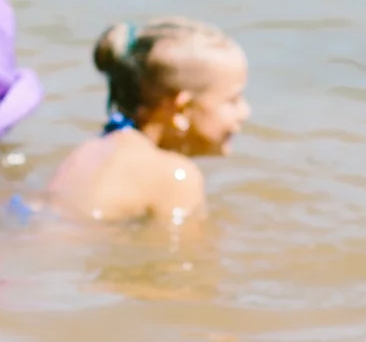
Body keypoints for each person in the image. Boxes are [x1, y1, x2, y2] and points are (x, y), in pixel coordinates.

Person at [47, 18, 249, 222]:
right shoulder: (175, 176)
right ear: (181, 109)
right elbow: (181, 244)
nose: (245, 112)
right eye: (233, 100)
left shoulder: (92, 149)